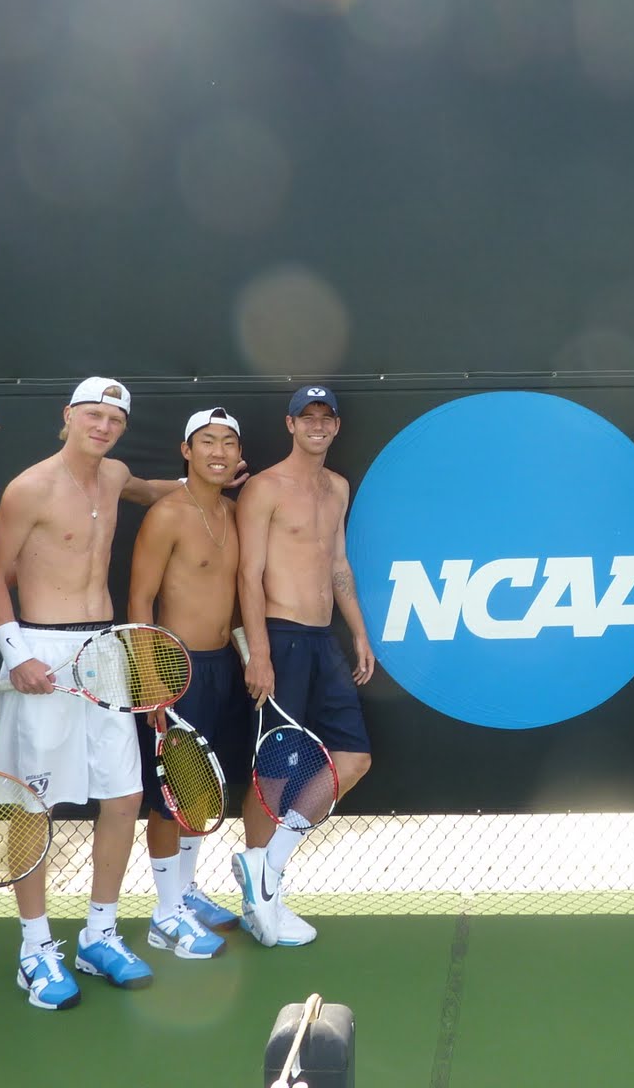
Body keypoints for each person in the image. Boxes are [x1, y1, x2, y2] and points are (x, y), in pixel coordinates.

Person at [0, 377, 190, 1008]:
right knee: (32, 807)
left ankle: (99, 933)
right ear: (67, 415)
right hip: (42, 653)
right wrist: (15, 655)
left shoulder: (114, 473)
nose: (103, 427)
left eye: (115, 419)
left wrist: (198, 483)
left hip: (105, 651)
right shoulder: (29, 487)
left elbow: (147, 488)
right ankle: (35, 948)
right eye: (93, 415)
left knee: (124, 795)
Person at [231, 385, 374, 947]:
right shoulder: (264, 488)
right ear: (290, 425)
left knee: (354, 757)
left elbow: (338, 564)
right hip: (280, 639)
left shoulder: (336, 486)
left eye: (326, 417)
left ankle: (266, 869)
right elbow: (248, 575)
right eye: (306, 417)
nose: (317, 425)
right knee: (273, 773)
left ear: (336, 426)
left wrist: (359, 631)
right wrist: (260, 653)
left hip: (323, 640)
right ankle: (262, 899)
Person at [128, 408, 255, 960]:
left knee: (201, 793)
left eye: (229, 443)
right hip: (174, 674)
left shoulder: (233, 512)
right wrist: (153, 681)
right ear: (186, 451)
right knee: (168, 799)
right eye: (208, 442)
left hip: (222, 668)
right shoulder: (167, 514)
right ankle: (163, 915)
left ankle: (184, 892)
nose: (219, 452)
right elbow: (138, 602)